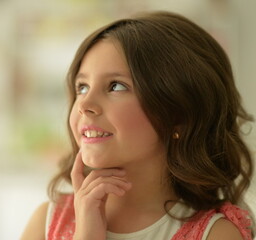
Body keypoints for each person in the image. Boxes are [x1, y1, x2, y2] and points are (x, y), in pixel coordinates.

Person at [21, 11, 254, 240]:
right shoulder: (47, 222)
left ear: (179, 115)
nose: (84, 104)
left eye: (116, 86)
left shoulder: (216, 235)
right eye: (82, 87)